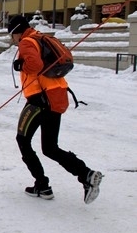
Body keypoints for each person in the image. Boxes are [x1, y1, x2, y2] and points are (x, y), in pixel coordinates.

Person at [8, 14, 103, 204]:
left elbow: (35, 64)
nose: (12, 39)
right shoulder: (39, 37)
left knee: (23, 140)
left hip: (39, 99)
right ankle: (86, 174)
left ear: (17, 32)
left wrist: (21, 65)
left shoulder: (27, 42)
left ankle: (42, 185)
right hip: (56, 96)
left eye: (12, 35)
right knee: (50, 148)